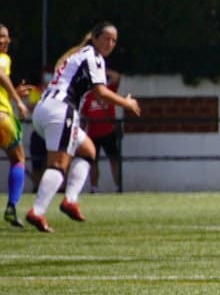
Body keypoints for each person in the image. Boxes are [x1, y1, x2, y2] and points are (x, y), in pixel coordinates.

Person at [25, 22, 142, 232]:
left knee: (88, 150)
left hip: (45, 110)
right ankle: (37, 211)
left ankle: (70, 200)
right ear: (95, 38)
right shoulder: (93, 56)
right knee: (59, 165)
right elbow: (101, 92)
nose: (110, 43)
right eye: (106, 38)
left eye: (114, 40)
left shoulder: (79, 53)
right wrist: (127, 103)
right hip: (61, 110)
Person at [0, 23, 30, 226]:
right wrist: (19, 102)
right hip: (2, 117)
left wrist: (13, 95)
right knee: (18, 158)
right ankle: (12, 205)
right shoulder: (3, 58)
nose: (7, 40)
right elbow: (1, 74)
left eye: (7, 36)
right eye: (2, 36)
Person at [80, 69, 124, 193]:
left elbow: (117, 76)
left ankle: (118, 187)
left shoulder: (109, 90)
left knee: (114, 160)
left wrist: (100, 69)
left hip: (108, 131)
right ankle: (94, 188)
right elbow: (84, 116)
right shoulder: (87, 96)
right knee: (93, 162)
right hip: (93, 133)